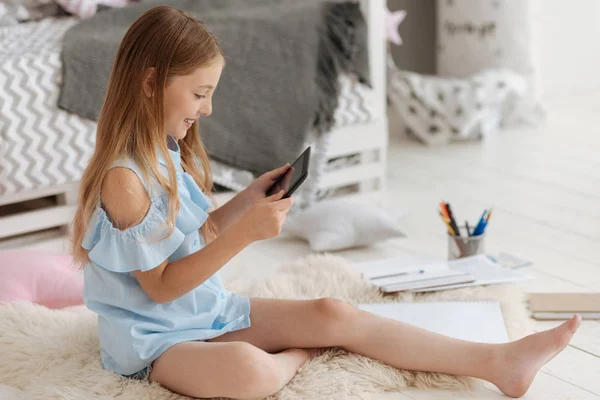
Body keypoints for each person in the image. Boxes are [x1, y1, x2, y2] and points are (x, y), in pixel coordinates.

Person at [71, 6, 581, 400]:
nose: (208, 108)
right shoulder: (124, 180)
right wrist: (249, 235)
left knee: (332, 309)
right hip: (154, 340)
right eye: (200, 94)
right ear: (151, 82)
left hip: (203, 312)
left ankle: (497, 361)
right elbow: (160, 289)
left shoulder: (166, 151)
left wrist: (246, 204)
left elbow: (195, 236)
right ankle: (299, 355)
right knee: (250, 371)